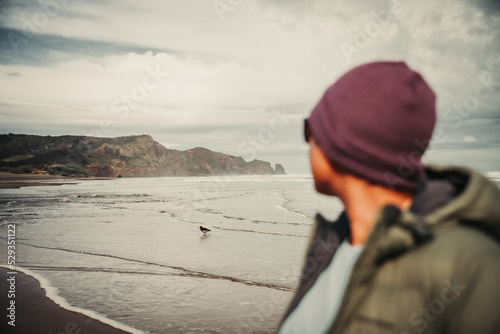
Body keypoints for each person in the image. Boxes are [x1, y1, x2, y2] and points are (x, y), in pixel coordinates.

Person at [277, 61, 500, 334]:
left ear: (342, 143)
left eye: (310, 130)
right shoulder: (334, 243)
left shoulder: (473, 265)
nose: (307, 144)